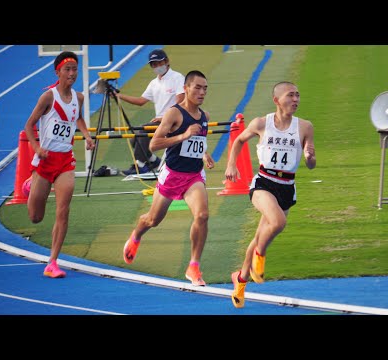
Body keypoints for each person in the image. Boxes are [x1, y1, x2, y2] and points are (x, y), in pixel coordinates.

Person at [224, 81, 316, 308]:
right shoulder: (261, 123)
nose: (295, 99)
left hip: (286, 186)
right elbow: (239, 140)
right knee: (277, 222)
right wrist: (231, 165)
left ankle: (240, 282)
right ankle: (260, 256)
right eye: (290, 95)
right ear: (276, 100)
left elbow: (311, 164)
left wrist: (309, 156)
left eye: (297, 95)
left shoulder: (305, 126)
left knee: (259, 235)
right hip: (264, 182)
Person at [123, 70, 215, 286]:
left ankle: (193, 266)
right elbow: (154, 144)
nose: (202, 92)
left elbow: (197, 140)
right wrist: (183, 135)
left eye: (205, 88)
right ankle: (137, 234)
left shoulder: (204, 116)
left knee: (202, 215)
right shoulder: (174, 114)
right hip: (172, 174)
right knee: (153, 220)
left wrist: (204, 154)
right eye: (197, 87)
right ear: (186, 88)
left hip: (193, 175)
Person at [22, 51, 95, 278]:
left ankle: (52, 262)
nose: (72, 73)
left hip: (65, 161)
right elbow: (28, 125)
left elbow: (78, 117)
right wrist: (36, 148)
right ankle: (30, 184)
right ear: (58, 72)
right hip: (45, 160)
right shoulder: (48, 98)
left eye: (75, 69)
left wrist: (87, 135)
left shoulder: (79, 97)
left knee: (63, 211)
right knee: (35, 217)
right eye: (68, 69)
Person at [116, 48, 185, 175]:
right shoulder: (154, 83)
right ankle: (153, 161)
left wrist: (165, 117)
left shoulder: (177, 77)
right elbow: (141, 101)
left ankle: (140, 165)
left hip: (174, 121)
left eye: (159, 63)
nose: (157, 66)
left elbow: (181, 101)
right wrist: (119, 96)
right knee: (135, 139)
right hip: (161, 121)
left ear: (166, 61)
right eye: (154, 64)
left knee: (143, 131)